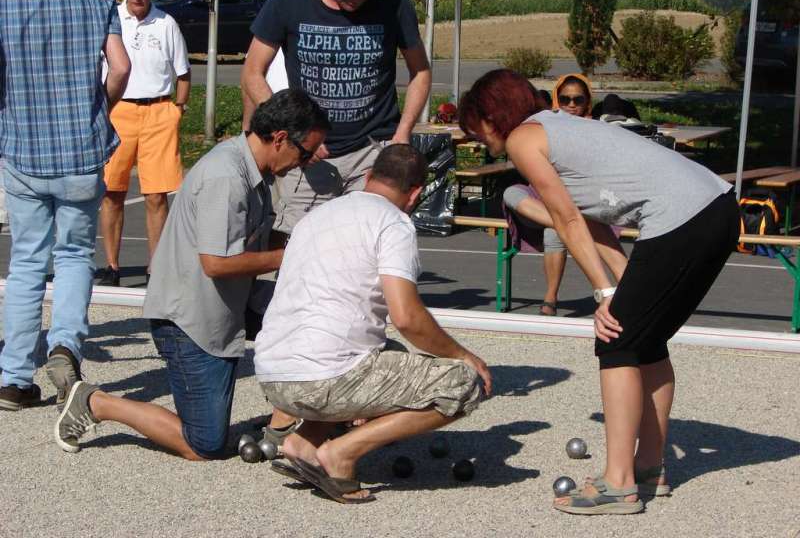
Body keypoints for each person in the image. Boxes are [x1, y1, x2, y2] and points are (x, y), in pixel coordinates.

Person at [459, 69, 737, 515]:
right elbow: (592, 218)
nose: (475, 137)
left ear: (491, 115)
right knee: (646, 342)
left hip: (682, 218)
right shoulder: (559, 127)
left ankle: (618, 483)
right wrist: (623, 274)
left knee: (617, 340)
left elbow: (567, 220)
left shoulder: (523, 140)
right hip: (718, 207)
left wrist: (604, 291)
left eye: (474, 126)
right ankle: (648, 468)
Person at [54, 91, 329, 460]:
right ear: (280, 139)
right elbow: (216, 263)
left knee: (312, 327)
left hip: (223, 310)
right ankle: (95, 401)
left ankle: (303, 421)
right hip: (188, 321)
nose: (306, 162)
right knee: (204, 444)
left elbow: (259, 239)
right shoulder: (226, 178)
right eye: (306, 152)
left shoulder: (255, 171)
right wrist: (289, 256)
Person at [254, 144, 492, 504]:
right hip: (321, 381)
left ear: (367, 178)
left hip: (274, 377)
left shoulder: (316, 216)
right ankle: (342, 453)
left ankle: (303, 443)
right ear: (415, 195)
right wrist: (463, 355)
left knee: (384, 353)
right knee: (462, 384)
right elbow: (407, 318)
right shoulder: (394, 223)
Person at [0, 0, 130, 411]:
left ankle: (14, 377)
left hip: (23, 152)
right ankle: (65, 347)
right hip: (80, 151)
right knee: (74, 254)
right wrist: (100, 109)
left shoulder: (3, 1)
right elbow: (120, 67)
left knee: (26, 262)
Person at [240, 0, 432, 239]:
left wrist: (403, 133)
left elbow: (420, 71)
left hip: (372, 149)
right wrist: (295, 131)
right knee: (294, 243)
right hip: (307, 155)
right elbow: (252, 72)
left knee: (367, 245)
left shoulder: (394, 3)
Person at [97, 0, 191, 287]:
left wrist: (177, 109)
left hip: (158, 111)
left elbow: (183, 73)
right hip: (118, 110)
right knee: (112, 191)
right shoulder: (111, 19)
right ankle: (111, 265)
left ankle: (157, 268)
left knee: (155, 195)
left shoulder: (166, 24)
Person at [502, 74, 596, 315]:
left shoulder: (597, 131)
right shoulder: (542, 127)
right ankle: (559, 219)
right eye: (565, 99)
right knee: (510, 193)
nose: (572, 105)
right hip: (541, 199)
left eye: (578, 99)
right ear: (557, 101)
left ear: (587, 103)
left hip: (576, 199)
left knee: (555, 230)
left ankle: (550, 298)